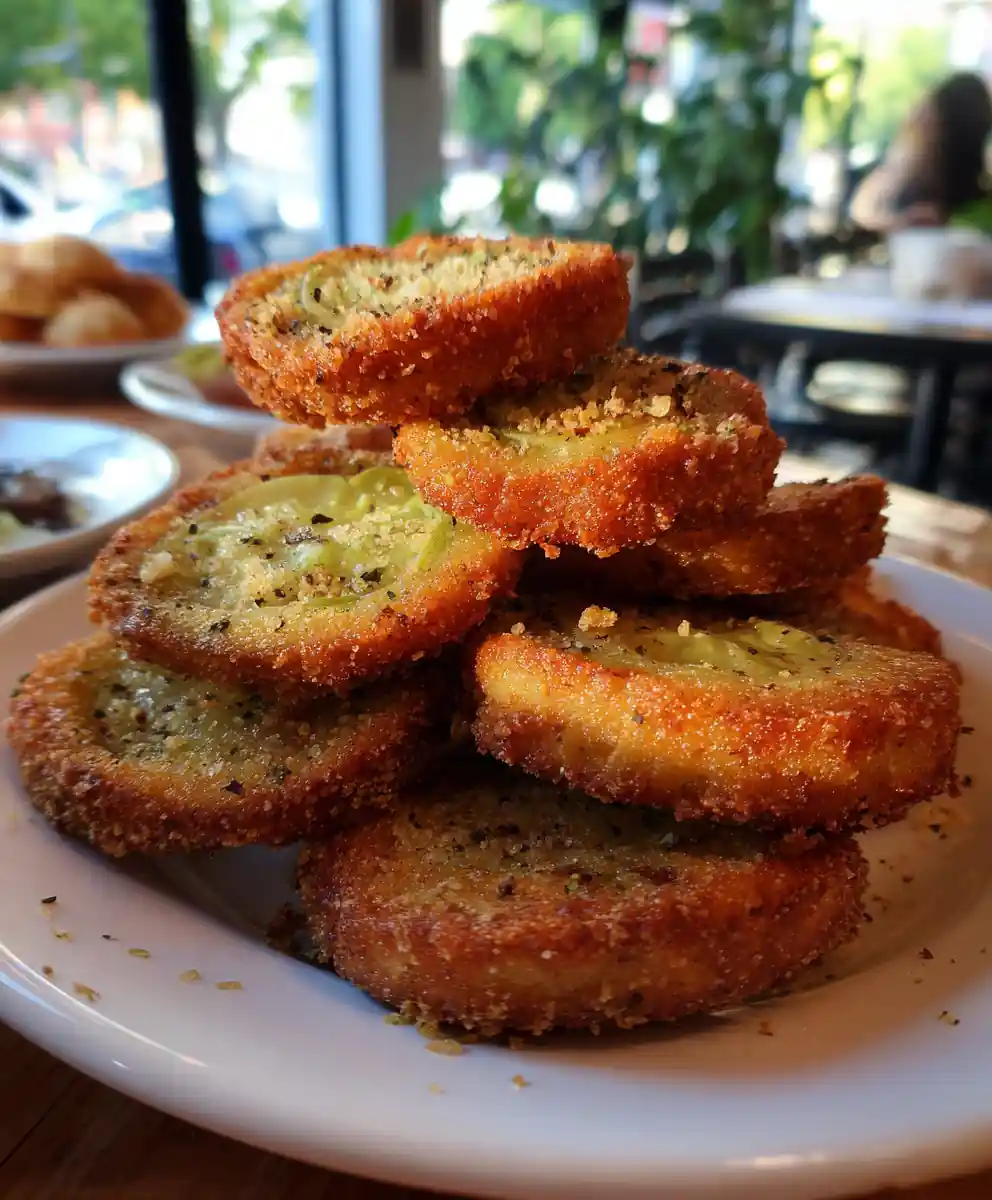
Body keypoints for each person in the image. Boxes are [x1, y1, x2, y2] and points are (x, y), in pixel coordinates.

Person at [851, 71, 992, 233]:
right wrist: (902, 222)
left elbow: (862, 211)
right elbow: (862, 210)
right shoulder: (908, 167)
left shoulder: (915, 172)